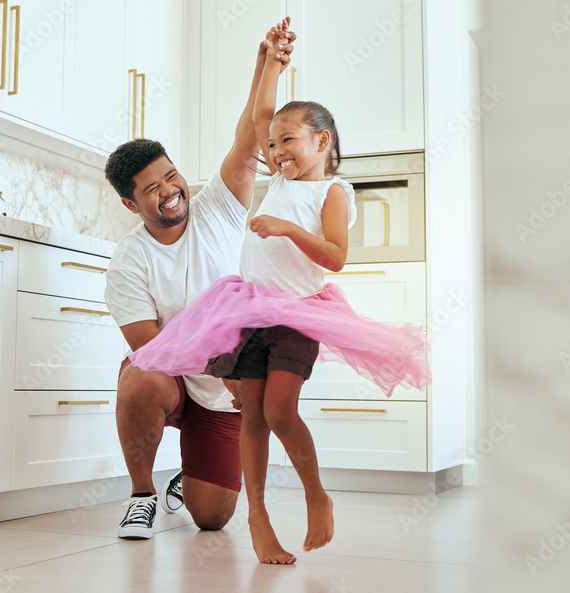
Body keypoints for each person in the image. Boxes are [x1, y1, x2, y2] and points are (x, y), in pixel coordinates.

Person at [128, 18, 431, 564]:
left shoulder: (332, 191)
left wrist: (287, 228)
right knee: (252, 417)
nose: (276, 150)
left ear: (322, 140)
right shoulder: (281, 178)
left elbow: (335, 258)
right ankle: (260, 521)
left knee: (281, 412)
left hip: (298, 313)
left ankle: (317, 496)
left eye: (288, 141)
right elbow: (260, 118)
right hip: (248, 310)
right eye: (273, 145)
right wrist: (270, 61)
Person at [103, 22, 297, 541]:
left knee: (212, 518)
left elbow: (248, 138)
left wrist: (268, 65)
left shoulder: (220, 208)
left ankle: (184, 481)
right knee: (138, 376)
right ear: (130, 204)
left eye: (171, 176)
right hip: (173, 377)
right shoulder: (129, 262)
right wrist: (226, 368)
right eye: (151, 189)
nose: (170, 191)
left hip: (221, 393)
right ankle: (143, 495)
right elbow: (154, 349)